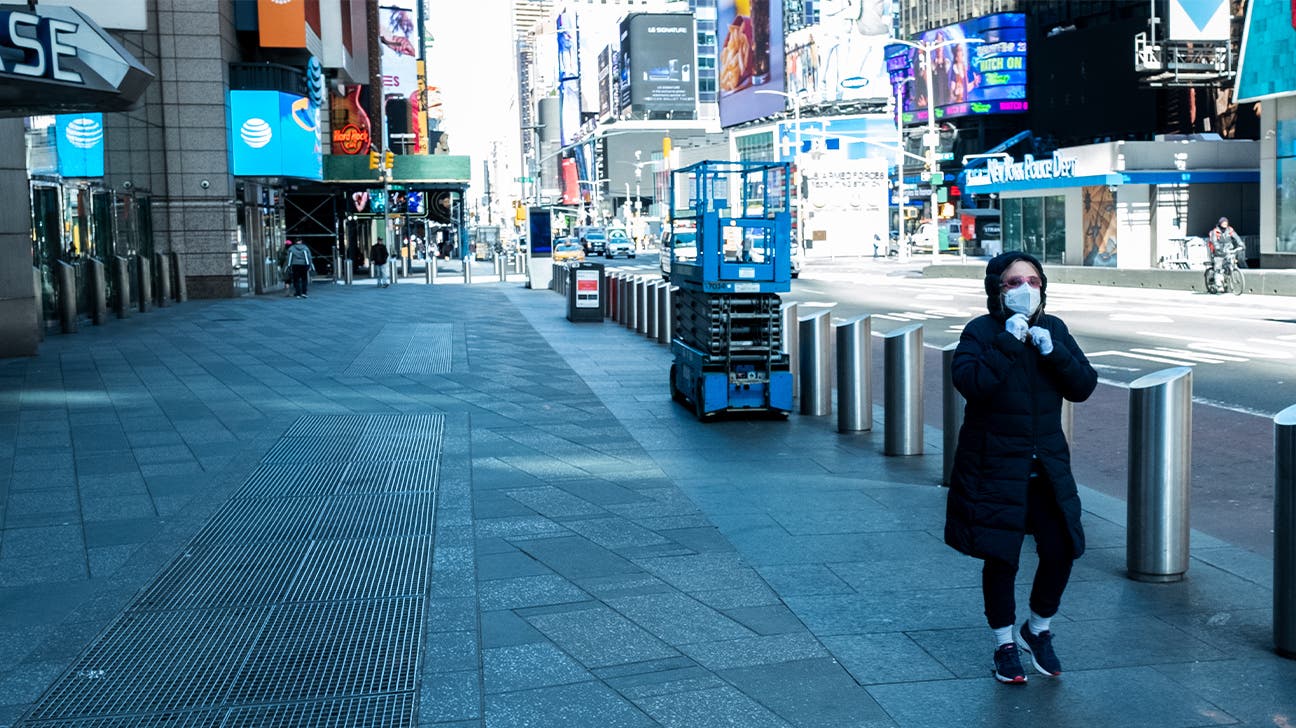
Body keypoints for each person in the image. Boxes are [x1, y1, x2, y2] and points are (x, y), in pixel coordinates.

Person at [946, 251, 1098, 685]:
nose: (1025, 289)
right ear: (997, 289)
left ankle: (1038, 628)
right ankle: (1004, 643)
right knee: (1001, 557)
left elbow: (1084, 386)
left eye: (1033, 281)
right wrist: (1008, 342)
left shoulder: (1053, 329)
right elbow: (972, 383)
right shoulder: (981, 331)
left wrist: (1056, 355)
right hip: (993, 465)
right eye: (1015, 283)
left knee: (1061, 549)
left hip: (1046, 465)